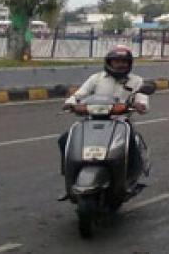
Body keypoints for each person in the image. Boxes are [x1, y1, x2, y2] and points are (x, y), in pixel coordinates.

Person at [57, 46, 149, 198]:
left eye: (124, 62)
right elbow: (80, 94)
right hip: (92, 120)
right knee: (65, 140)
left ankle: (130, 178)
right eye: (117, 61)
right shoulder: (96, 78)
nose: (120, 65)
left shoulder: (137, 80)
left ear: (129, 64)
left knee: (132, 144)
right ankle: (69, 177)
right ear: (109, 62)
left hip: (121, 123)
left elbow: (142, 100)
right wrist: (70, 103)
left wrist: (140, 105)